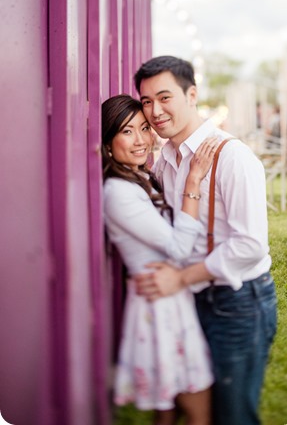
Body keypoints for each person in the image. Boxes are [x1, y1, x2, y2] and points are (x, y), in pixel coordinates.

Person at [133, 56, 277, 425]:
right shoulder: (164, 159)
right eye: (147, 101)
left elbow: (250, 246)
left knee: (232, 414)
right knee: (199, 408)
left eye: (165, 98)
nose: (155, 111)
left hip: (238, 300)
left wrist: (180, 277)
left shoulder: (233, 157)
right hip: (193, 298)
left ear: (192, 94)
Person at [102, 94, 218, 425]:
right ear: (109, 142)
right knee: (198, 408)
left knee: (167, 409)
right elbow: (179, 248)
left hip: (165, 298)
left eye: (144, 128)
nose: (141, 140)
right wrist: (193, 181)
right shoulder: (120, 192)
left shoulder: (139, 178)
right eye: (127, 131)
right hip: (160, 304)